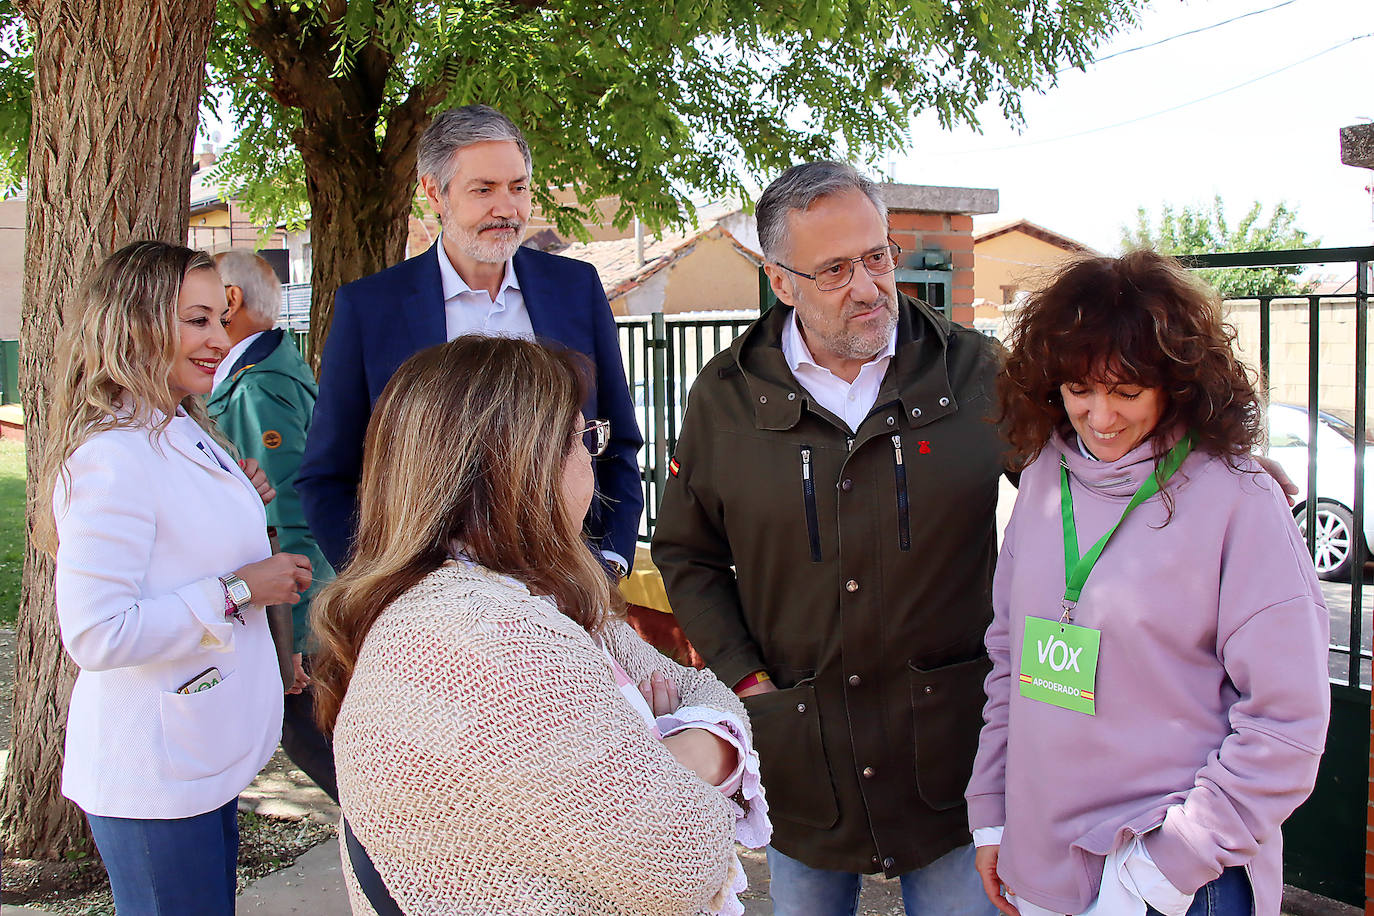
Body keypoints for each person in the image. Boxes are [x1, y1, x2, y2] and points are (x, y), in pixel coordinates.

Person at [310, 335, 769, 915]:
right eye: (583, 438)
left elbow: (706, 694)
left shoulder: (513, 593)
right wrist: (680, 747)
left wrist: (655, 754)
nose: (593, 460)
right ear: (522, 465)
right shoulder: (488, 638)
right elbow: (684, 858)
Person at [652, 160, 1004, 915]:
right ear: (782, 282)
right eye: (835, 269)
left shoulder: (975, 372)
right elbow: (688, 553)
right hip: (801, 754)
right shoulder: (725, 397)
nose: (869, 286)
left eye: (877, 257)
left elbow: (1096, 474)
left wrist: (1210, 466)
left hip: (952, 755)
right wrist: (748, 682)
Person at [965, 250, 1329, 916]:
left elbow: (1287, 725)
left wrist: (1167, 868)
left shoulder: (1240, 501)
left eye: (1126, 392)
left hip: (1179, 879)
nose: (1100, 416)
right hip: (1045, 867)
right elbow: (1010, 663)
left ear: (1177, 385)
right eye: (1079, 390)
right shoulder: (1046, 477)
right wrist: (992, 812)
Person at [39, 241, 313, 914]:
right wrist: (242, 588)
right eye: (197, 321)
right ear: (134, 323)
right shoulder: (109, 457)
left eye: (220, 319)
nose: (220, 339)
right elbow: (98, 634)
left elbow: (177, 539)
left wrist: (239, 496)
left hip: (199, 757)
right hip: (153, 774)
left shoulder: (180, 426)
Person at [297, 103, 643, 575]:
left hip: (569, 587)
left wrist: (613, 561)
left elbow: (616, 439)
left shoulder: (575, 289)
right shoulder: (371, 308)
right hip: (429, 602)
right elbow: (328, 475)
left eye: (518, 188)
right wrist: (382, 589)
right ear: (433, 193)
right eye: (483, 190)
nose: (507, 209)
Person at [208, 248, 338, 800]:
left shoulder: (258, 386)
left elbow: (286, 515)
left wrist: (299, 636)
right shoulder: (262, 374)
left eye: (199, 308)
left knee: (311, 740)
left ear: (230, 300)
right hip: (291, 598)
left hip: (295, 606)